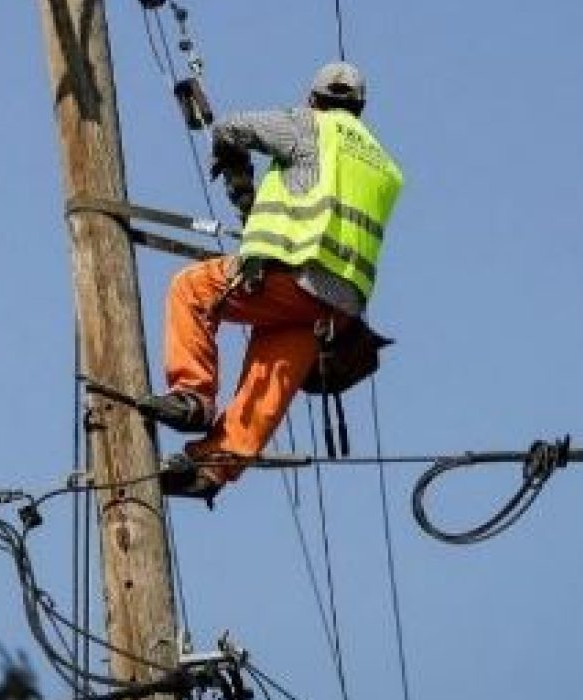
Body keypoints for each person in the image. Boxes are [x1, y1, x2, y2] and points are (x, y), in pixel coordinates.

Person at [148, 61, 404, 502]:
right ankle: (212, 468)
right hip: (337, 306)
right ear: (360, 108)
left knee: (191, 289)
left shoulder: (310, 125)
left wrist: (234, 164)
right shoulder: (384, 165)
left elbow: (232, 128)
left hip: (295, 277)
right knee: (270, 379)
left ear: (313, 99)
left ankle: (192, 398)